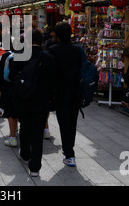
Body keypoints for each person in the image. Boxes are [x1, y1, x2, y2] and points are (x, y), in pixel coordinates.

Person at [10, 29, 56, 177]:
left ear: (27, 41)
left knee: (24, 127)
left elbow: (11, 77)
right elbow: (54, 81)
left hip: (23, 99)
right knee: (37, 132)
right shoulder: (49, 58)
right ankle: (35, 167)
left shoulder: (19, 57)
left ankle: (25, 154)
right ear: (41, 41)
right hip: (42, 101)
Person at [48, 21, 83, 167]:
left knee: (63, 122)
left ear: (56, 34)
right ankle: (70, 151)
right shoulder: (78, 50)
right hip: (75, 91)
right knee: (72, 122)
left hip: (59, 92)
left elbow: (50, 73)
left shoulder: (52, 50)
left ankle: (69, 153)